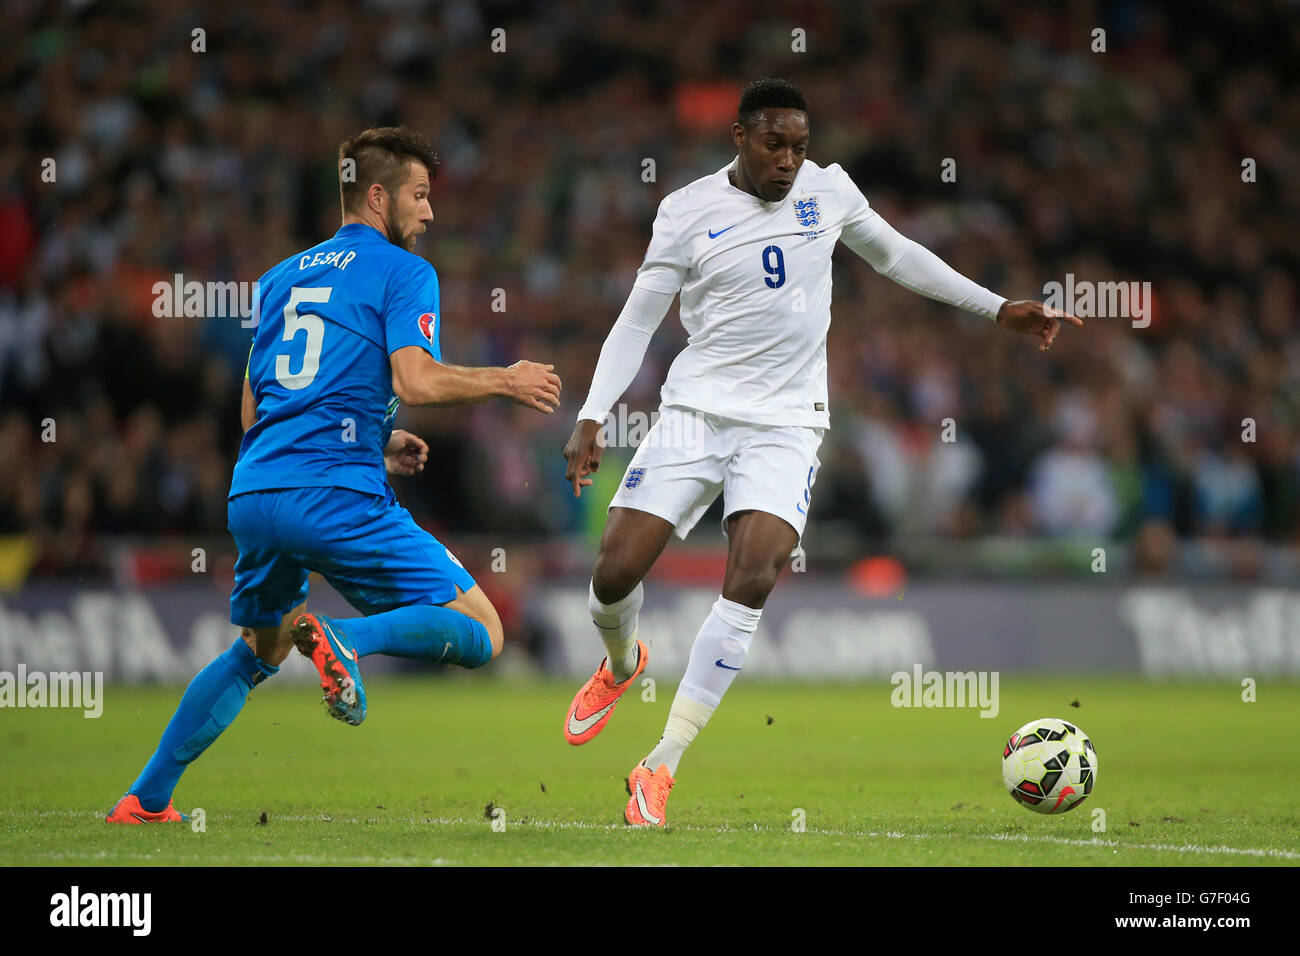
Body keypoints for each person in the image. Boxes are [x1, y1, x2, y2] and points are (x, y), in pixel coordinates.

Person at [561, 78, 1080, 827]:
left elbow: (898, 256)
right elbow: (638, 319)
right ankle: (621, 664)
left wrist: (997, 307)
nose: (789, 161)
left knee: (756, 572)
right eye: (775, 144)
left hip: (786, 423)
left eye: (800, 147)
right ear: (740, 137)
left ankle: (661, 764)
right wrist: (591, 414)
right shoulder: (685, 212)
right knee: (614, 572)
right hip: (696, 411)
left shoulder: (829, 192)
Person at [108, 126, 561, 824]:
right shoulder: (405, 271)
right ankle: (350, 640)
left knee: (259, 650)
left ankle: (145, 799)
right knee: (482, 628)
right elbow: (416, 378)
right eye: (419, 195)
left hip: (256, 490)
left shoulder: (280, 277)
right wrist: (506, 378)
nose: (430, 212)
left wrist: (373, 442)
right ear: (377, 196)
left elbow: (257, 405)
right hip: (333, 496)